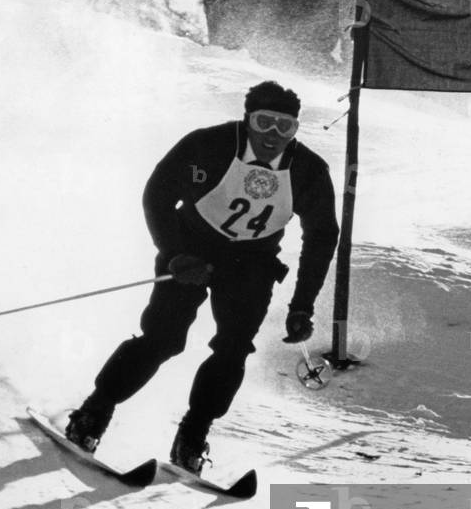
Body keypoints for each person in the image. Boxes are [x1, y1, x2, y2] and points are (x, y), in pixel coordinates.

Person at [64, 81, 339, 474]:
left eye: (285, 127)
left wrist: (301, 306)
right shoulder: (207, 146)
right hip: (190, 250)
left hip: (251, 263)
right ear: (247, 120)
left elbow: (322, 237)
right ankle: (93, 412)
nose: (272, 136)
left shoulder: (308, 171)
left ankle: (192, 436)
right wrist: (174, 254)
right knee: (163, 339)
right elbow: (157, 193)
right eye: (264, 123)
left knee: (233, 349)